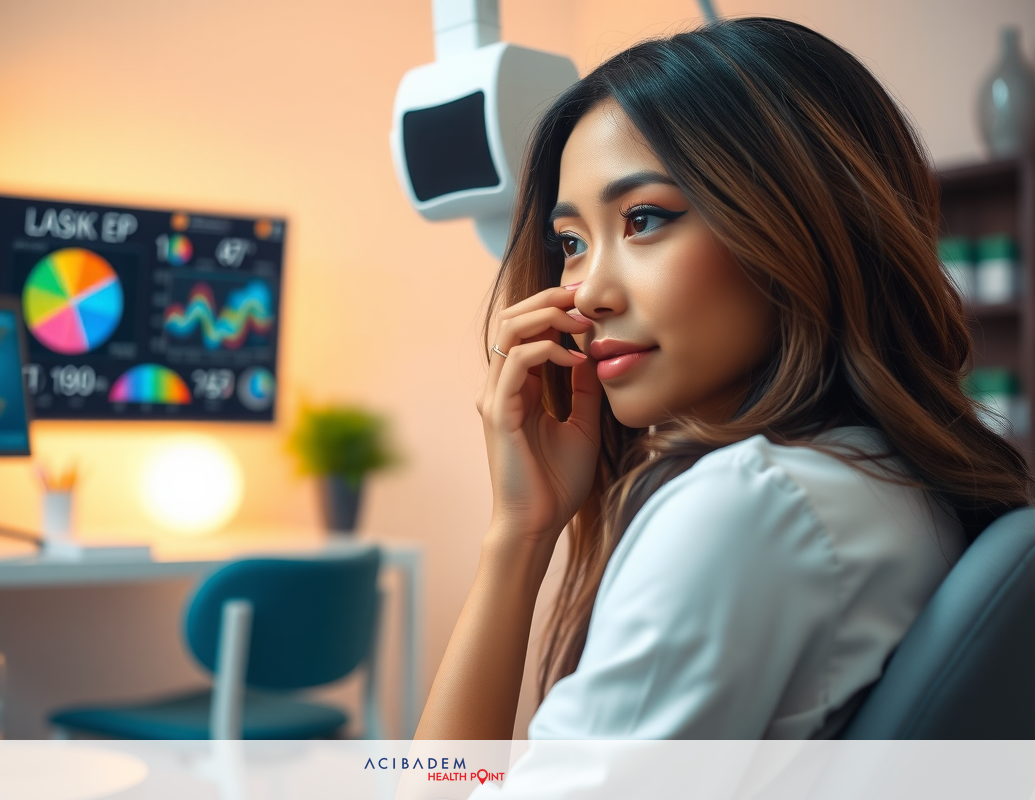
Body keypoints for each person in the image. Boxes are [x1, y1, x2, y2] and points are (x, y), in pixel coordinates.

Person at [415, 17, 1032, 740]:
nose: (584, 294)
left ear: (803, 216)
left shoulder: (747, 509)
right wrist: (526, 529)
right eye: (571, 243)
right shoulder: (886, 485)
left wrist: (511, 547)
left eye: (644, 218)